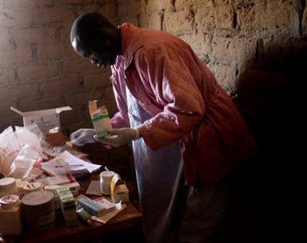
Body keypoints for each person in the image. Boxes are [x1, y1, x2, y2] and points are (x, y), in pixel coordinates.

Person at [69, 12, 256, 242]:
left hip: (209, 136)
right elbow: (132, 111)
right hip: (184, 135)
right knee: (179, 213)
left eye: (90, 53)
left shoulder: (151, 52)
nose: (93, 62)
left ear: (103, 37)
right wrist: (101, 133)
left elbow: (188, 108)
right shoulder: (119, 59)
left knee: (200, 221)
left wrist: (138, 132)